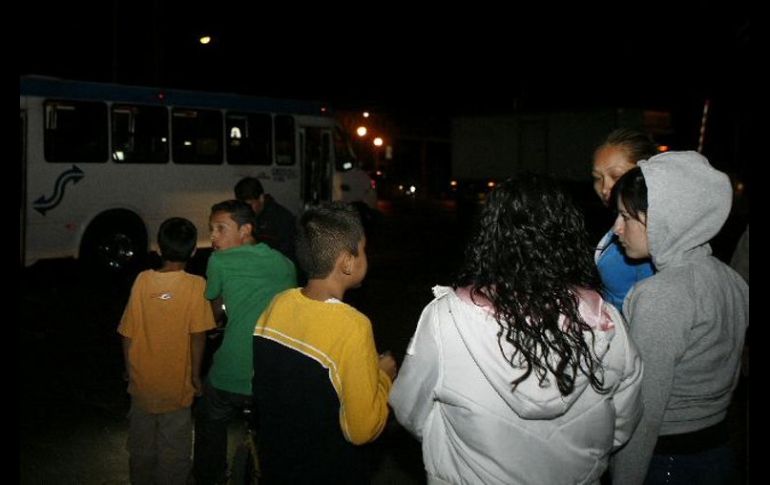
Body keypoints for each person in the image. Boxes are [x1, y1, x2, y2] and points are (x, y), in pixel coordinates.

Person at [389, 175, 643, 484]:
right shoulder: (606, 322)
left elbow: (409, 408)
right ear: (566, 237)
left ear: (490, 236)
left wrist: (448, 440)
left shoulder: (447, 319)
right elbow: (623, 419)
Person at [609, 151, 749, 485]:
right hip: (717, 452)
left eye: (627, 217)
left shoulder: (662, 295)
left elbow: (644, 410)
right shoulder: (730, 280)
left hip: (667, 462)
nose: (617, 229)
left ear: (666, 219)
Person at [252, 202, 397, 484]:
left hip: (277, 462)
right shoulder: (352, 326)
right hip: (326, 469)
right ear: (347, 261)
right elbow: (362, 429)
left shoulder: (278, 304)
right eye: (363, 250)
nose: (366, 256)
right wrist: (383, 377)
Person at [193, 199, 297, 485]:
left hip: (232, 376)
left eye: (220, 229)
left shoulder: (218, 261)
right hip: (274, 374)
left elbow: (212, 314)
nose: (213, 236)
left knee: (209, 413)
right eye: (211, 229)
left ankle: (210, 476)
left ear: (245, 229)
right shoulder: (284, 263)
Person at [117, 217, 216, 485]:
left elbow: (127, 332)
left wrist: (129, 370)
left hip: (142, 385)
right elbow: (198, 337)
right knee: (175, 452)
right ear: (194, 251)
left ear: (158, 249)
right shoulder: (196, 286)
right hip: (177, 387)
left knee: (140, 450)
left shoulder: (142, 281)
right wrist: (196, 377)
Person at [591, 128, 658, 312]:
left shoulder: (647, 235)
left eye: (616, 176)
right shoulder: (620, 222)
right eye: (597, 178)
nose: (605, 188)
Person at [234, 176, 297, 263]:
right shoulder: (242, 216)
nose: (246, 209)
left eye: (250, 204)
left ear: (261, 198)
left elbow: (288, 255)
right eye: (243, 205)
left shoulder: (282, 218)